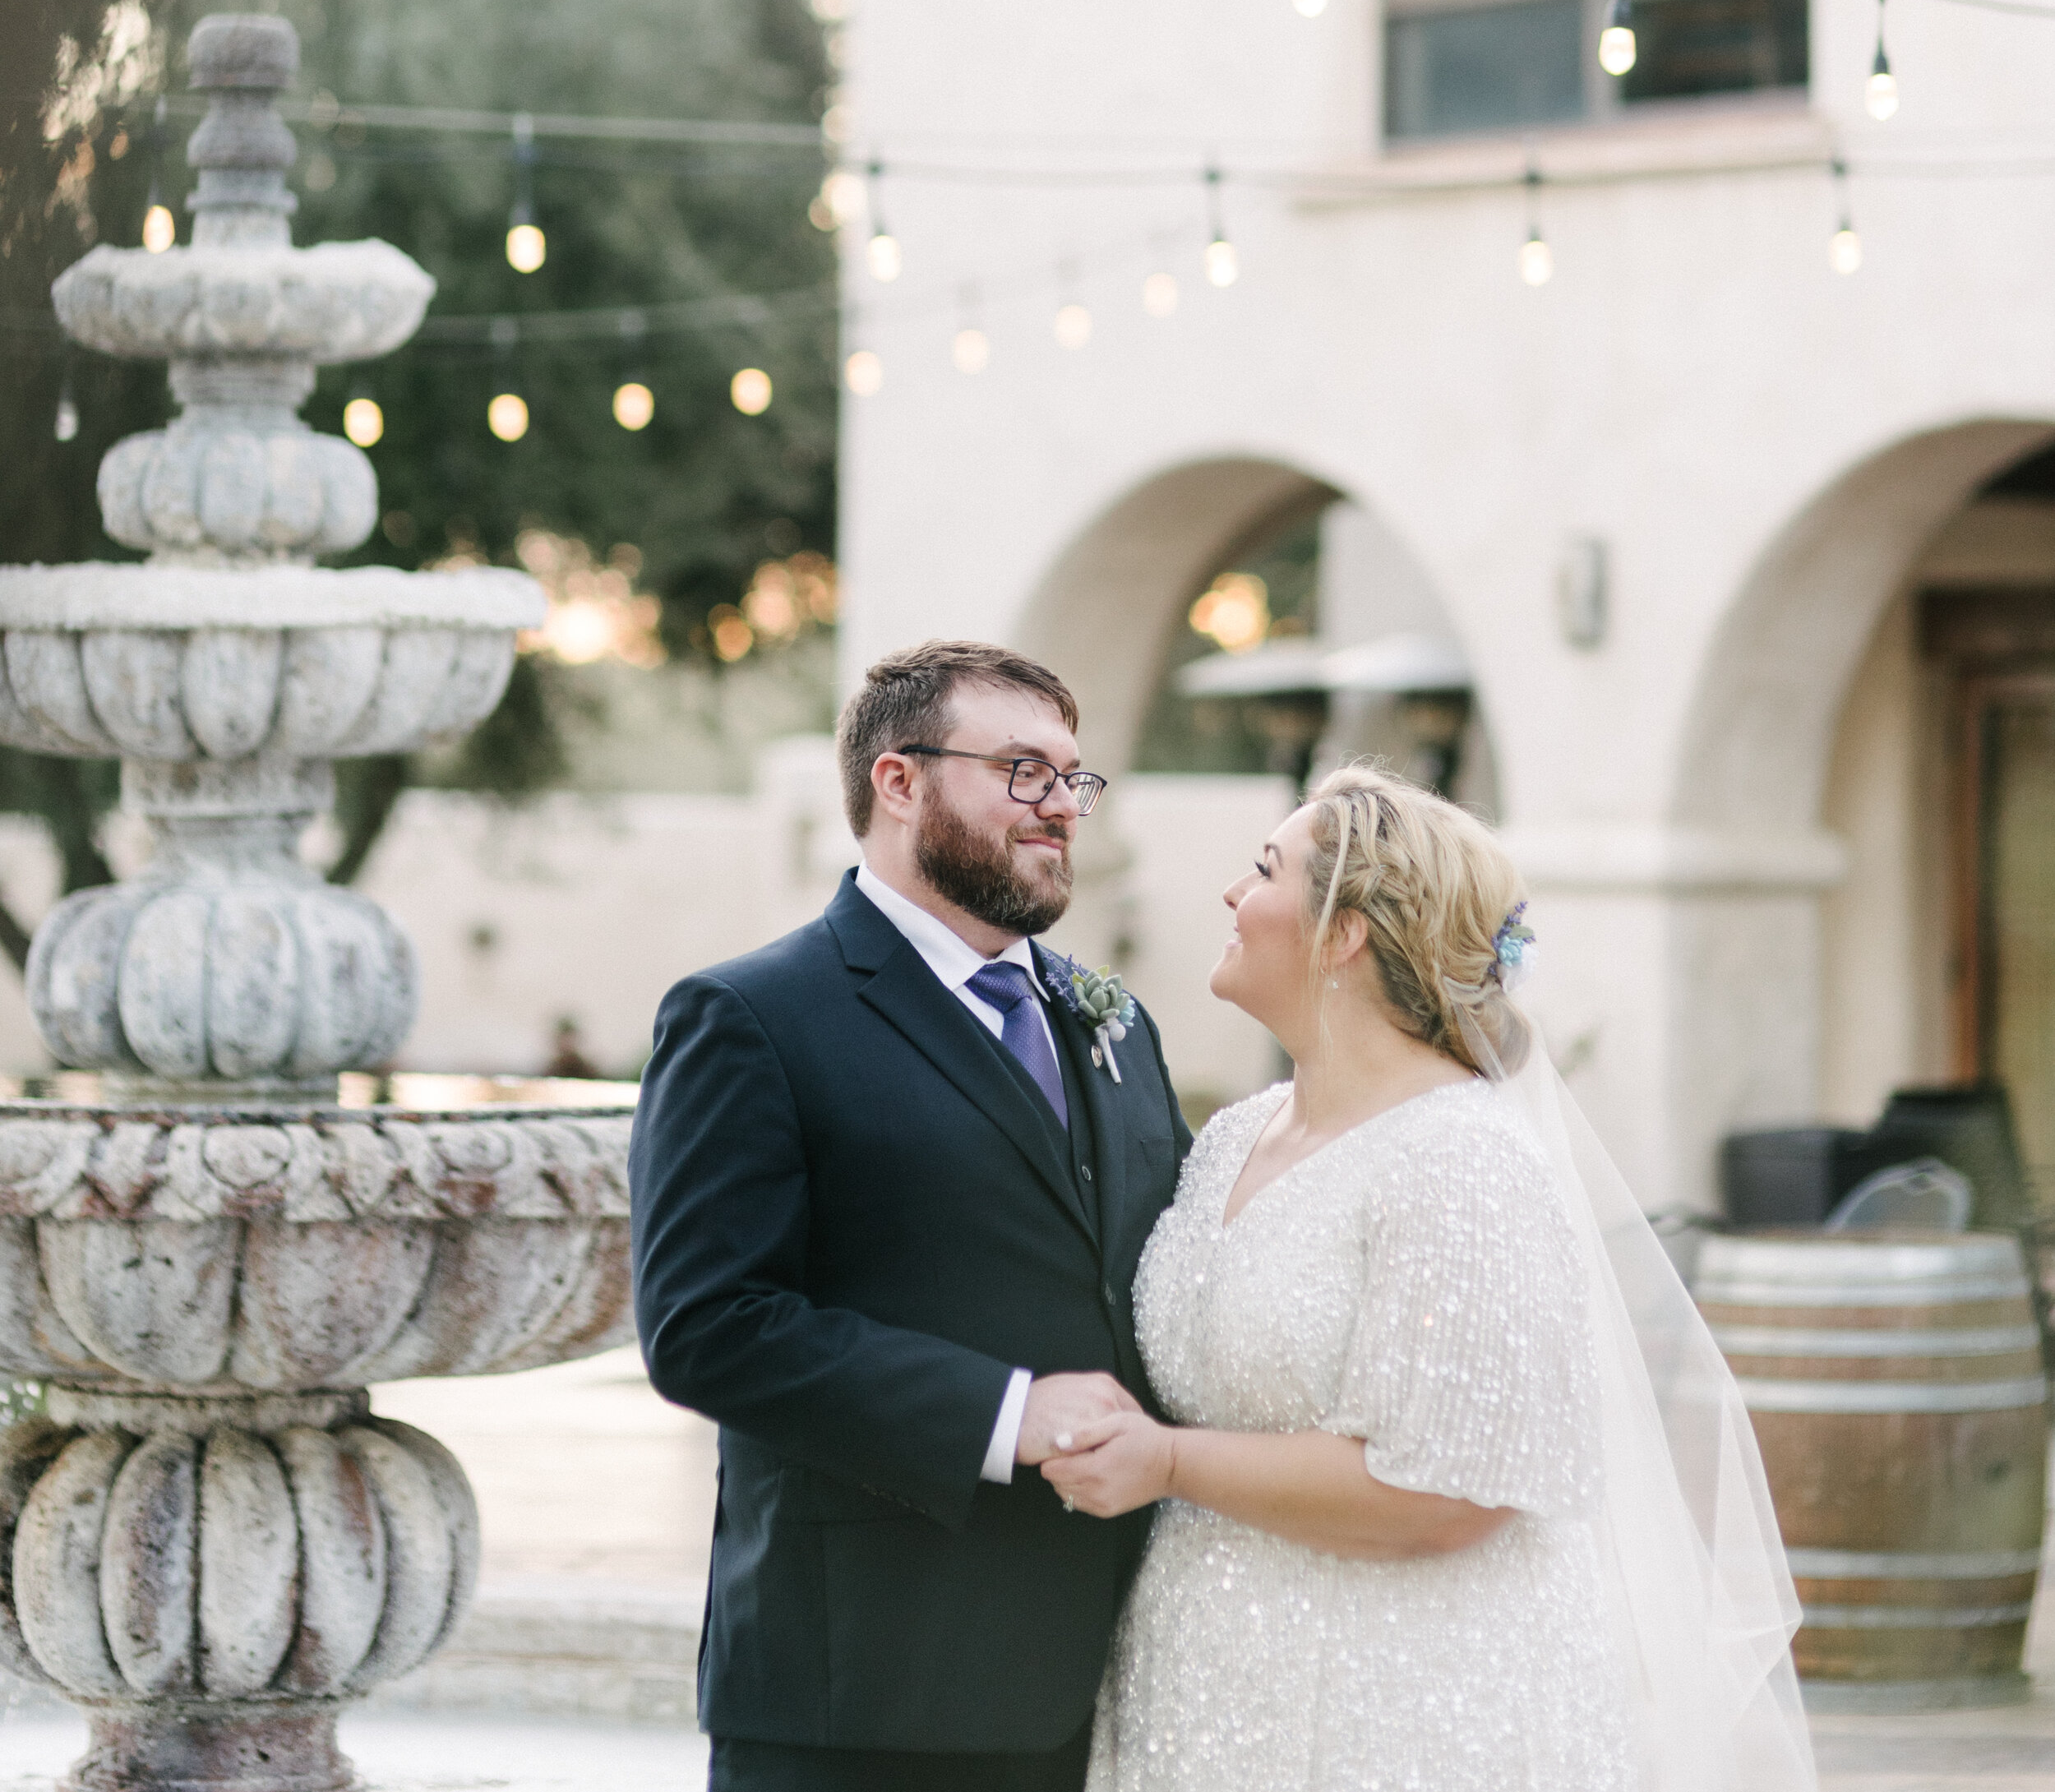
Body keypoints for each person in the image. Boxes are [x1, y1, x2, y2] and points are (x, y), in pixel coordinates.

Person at [1049, 766, 1814, 1792]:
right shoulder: (1232, 1137)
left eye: (1265, 869)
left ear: (1346, 930)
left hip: (1400, 1698)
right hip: (1205, 1686)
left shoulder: (1462, 1159)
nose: (1233, 893)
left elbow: (1451, 1492)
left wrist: (1168, 1463)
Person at [630, 639, 1192, 1792]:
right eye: (1024, 771)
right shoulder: (753, 1017)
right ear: (899, 782)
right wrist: (1008, 1413)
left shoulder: (1114, 1020)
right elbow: (708, 1326)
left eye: (1074, 779)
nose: (1061, 808)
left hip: (1127, 1670)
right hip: (870, 1692)